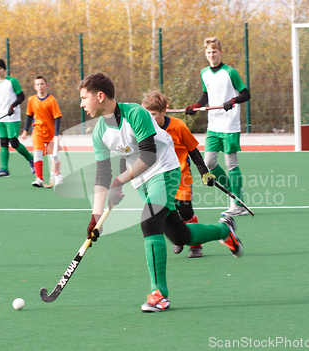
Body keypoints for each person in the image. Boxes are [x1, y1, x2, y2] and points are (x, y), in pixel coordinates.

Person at [79, 72, 243, 313]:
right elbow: (102, 176)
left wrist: (119, 181)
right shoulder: (98, 133)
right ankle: (224, 229)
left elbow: (148, 155)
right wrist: (95, 217)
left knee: (149, 222)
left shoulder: (136, 114)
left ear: (100, 96)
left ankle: (160, 295)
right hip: (140, 180)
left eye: (84, 98)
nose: (82, 104)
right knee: (181, 236)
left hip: (164, 170)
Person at [142, 91, 213, 258]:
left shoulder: (178, 126)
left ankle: (196, 245)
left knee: (186, 212)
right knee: (165, 212)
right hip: (159, 178)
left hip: (181, 177)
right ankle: (177, 237)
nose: (150, 119)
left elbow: (193, 150)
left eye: (153, 115)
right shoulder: (144, 128)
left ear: (163, 112)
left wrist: (204, 171)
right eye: (147, 115)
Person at [186, 37, 251, 216]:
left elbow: (246, 94)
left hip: (230, 125)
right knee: (209, 162)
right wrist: (195, 106)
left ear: (220, 52)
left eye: (214, 52)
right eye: (208, 52)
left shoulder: (231, 72)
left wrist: (233, 100)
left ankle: (237, 203)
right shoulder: (204, 73)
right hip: (213, 125)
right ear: (205, 54)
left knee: (231, 164)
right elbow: (206, 95)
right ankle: (235, 194)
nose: (211, 55)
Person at [0, 59, 34, 177]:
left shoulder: (12, 81)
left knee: (13, 142)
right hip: (1, 117)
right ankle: (4, 169)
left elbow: (21, 96)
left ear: (4, 69)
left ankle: (31, 159)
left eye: (0, 68)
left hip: (12, 117)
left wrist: (13, 106)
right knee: (3, 142)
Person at [21, 76, 63, 187]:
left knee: (54, 156)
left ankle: (58, 176)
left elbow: (57, 117)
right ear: (35, 87)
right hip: (37, 131)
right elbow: (29, 116)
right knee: (37, 154)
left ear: (46, 85)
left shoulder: (51, 100)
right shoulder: (31, 100)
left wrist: (56, 134)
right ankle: (39, 178)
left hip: (51, 132)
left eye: (42, 84)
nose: (40, 86)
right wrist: (25, 130)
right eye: (38, 84)